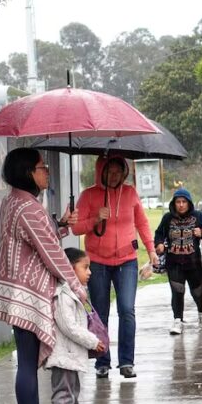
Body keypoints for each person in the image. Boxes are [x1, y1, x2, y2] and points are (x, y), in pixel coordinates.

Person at [0, 148, 88, 404]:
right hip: (28, 294)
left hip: (16, 290)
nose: (46, 171)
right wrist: (78, 288)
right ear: (28, 172)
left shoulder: (14, 201)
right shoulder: (29, 207)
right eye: (41, 167)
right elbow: (53, 256)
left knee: (27, 361)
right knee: (28, 362)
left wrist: (59, 225)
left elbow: (38, 239)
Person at [72, 155, 159, 380]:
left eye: (119, 172)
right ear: (101, 171)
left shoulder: (130, 193)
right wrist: (95, 218)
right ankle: (102, 362)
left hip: (127, 260)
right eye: (110, 172)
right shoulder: (89, 195)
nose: (114, 176)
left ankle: (127, 362)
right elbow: (76, 228)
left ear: (124, 173)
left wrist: (151, 249)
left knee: (127, 310)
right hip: (98, 262)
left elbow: (141, 222)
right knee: (100, 313)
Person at [45, 247, 105, 404]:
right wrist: (92, 341)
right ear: (69, 269)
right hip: (64, 354)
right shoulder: (63, 294)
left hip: (70, 353)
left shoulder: (74, 292)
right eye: (85, 267)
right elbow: (69, 326)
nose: (89, 272)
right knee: (63, 392)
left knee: (73, 390)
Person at [154, 188, 202, 335]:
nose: (181, 205)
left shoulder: (199, 216)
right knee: (177, 292)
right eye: (178, 202)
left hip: (194, 264)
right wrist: (159, 244)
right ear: (174, 203)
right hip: (174, 263)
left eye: (183, 202)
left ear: (189, 203)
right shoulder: (167, 218)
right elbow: (159, 233)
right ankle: (177, 321)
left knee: (198, 293)